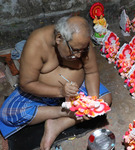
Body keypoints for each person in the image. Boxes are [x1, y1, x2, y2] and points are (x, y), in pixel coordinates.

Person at [0, 16, 112, 150]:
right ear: (59, 38)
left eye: (82, 50)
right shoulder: (37, 43)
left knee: (104, 100)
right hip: (42, 96)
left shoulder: (82, 43)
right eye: (74, 50)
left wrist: (91, 104)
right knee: (7, 114)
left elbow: (92, 72)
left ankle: (58, 125)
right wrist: (60, 92)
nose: (78, 55)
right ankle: (65, 112)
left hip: (76, 91)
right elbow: (26, 83)